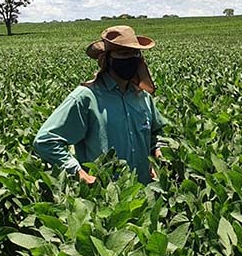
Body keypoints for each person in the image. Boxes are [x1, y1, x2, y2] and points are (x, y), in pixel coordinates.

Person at [34, 25, 166, 185]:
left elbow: (155, 133)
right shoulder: (85, 97)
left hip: (145, 190)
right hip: (106, 197)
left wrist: (158, 153)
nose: (130, 59)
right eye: (123, 53)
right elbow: (46, 141)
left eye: (135, 53)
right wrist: (79, 173)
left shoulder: (142, 96)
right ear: (107, 59)